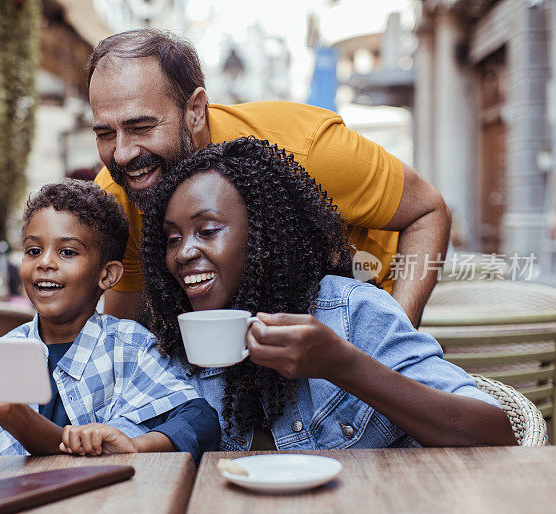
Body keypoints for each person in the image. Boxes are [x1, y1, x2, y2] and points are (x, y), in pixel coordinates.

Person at [141, 137, 515, 450]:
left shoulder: (351, 312)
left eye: (207, 231)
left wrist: (343, 365)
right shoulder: (176, 348)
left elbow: (496, 434)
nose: (184, 252)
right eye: (173, 239)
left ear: (264, 237)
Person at [88, 29, 450, 326]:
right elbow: (130, 328)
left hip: (360, 317)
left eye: (141, 127)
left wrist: (395, 340)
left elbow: (428, 211)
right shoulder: (118, 192)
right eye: (105, 133)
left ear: (195, 111)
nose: (122, 154)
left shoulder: (306, 150)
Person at [0, 180, 219, 465]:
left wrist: (134, 445)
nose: (45, 263)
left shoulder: (128, 348)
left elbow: (200, 420)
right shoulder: (2, 354)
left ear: (107, 275)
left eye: (67, 252)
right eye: (33, 250)